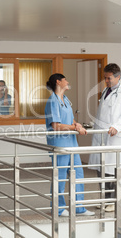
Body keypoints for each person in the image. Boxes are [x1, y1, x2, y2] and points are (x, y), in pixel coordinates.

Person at [45, 73, 95, 217]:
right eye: (65, 80)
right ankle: (58, 209)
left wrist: (77, 124)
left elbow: (71, 119)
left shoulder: (65, 99)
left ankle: (78, 207)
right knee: (60, 176)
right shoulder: (52, 101)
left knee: (78, 174)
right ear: (58, 82)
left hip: (72, 143)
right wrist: (75, 128)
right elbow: (55, 126)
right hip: (59, 144)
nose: (68, 82)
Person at [88, 63, 121, 212]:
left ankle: (113, 202)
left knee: (111, 170)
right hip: (101, 136)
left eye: (109, 78)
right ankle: (105, 200)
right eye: (105, 78)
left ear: (118, 77)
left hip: (113, 137)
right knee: (101, 171)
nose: (106, 81)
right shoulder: (106, 91)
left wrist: (117, 126)